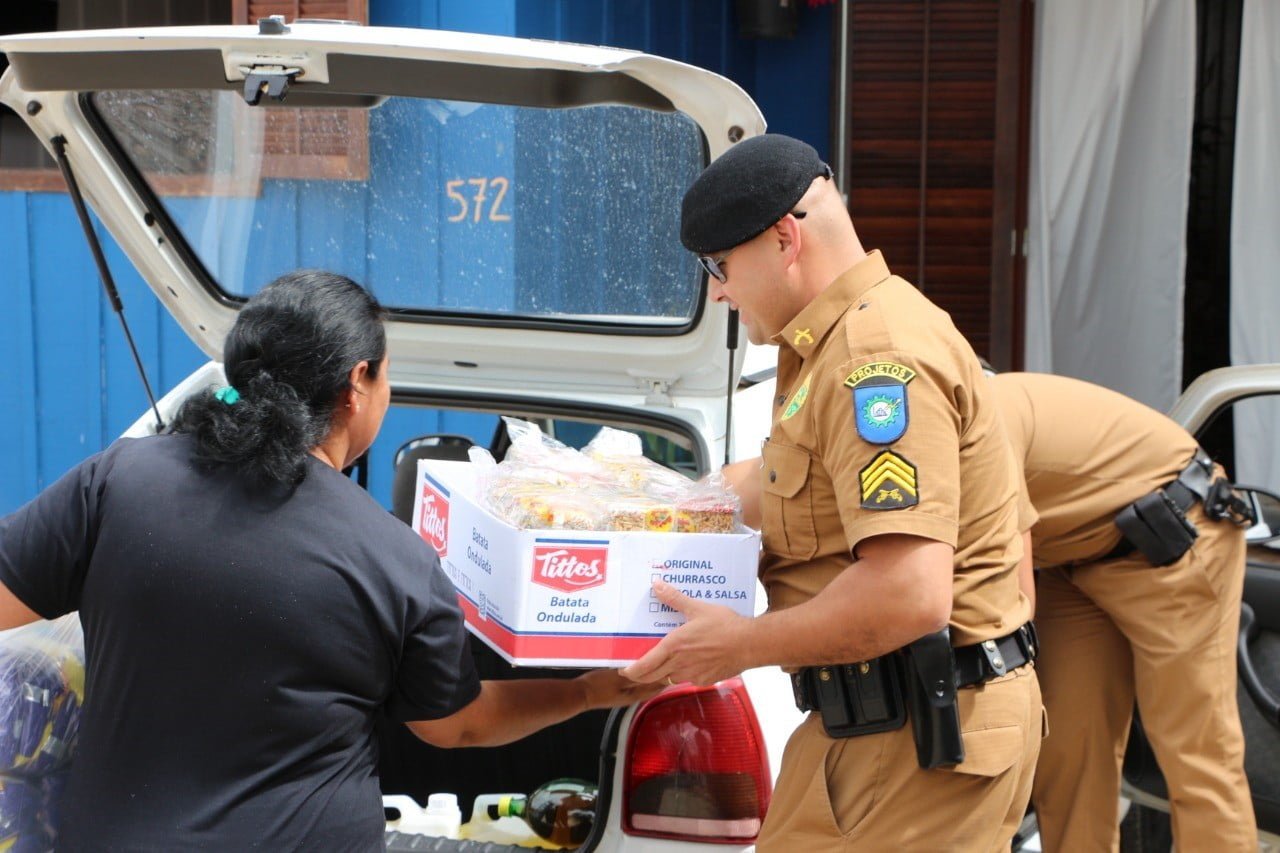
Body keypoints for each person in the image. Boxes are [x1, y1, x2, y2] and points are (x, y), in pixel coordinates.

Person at [0, 270, 655, 851]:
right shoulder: (393, 556)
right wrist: (589, 691)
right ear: (357, 384)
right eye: (387, 372)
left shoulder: (119, 481)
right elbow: (456, 727)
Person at [622, 134, 1042, 850]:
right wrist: (656, 509)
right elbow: (787, 484)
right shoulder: (830, 341)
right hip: (884, 720)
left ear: (784, 237)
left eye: (719, 267)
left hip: (918, 736)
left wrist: (740, 644)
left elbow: (910, 591)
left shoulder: (875, 359)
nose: (718, 292)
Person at [989, 371, 1257, 851]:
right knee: (1068, 754)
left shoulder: (972, 422)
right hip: (1069, 558)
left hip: (1171, 540)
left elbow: (1010, 597)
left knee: (1197, 754)